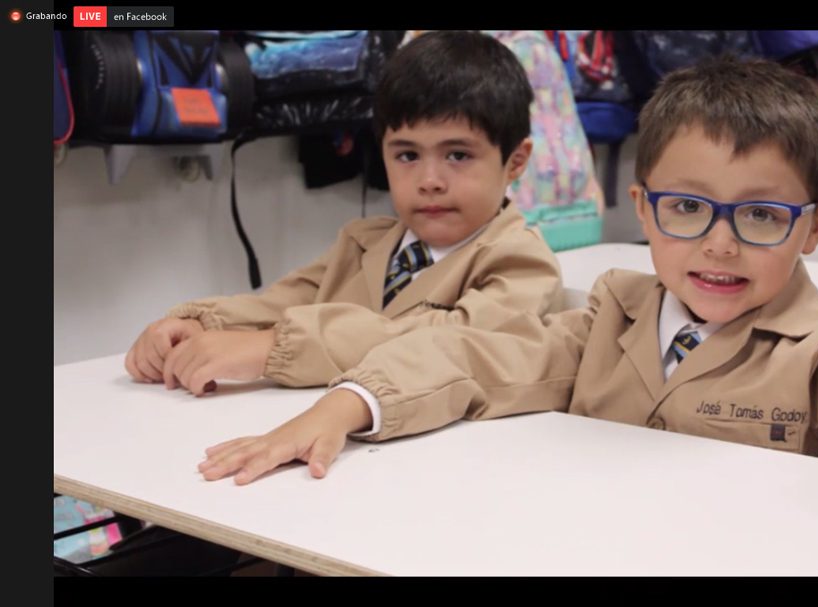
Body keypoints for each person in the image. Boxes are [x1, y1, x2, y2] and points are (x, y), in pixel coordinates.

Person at [198, 54, 818, 576]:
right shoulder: (610, 316)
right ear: (644, 210)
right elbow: (477, 356)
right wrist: (349, 403)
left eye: (762, 215)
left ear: (815, 227)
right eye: (687, 208)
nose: (720, 244)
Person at [124, 30, 563, 395]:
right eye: (407, 155)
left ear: (515, 161)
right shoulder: (363, 241)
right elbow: (282, 301)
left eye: (458, 155)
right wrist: (197, 321)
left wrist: (273, 347)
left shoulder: (521, 262)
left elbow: (448, 342)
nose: (430, 180)